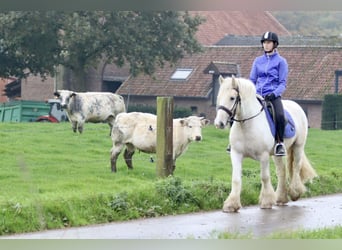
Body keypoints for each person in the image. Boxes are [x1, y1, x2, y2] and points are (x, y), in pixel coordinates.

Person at [249, 31, 288, 156]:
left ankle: (279, 143)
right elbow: (252, 80)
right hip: (257, 95)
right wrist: (251, 92)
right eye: (264, 43)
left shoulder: (281, 62)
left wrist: (274, 94)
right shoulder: (257, 61)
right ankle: (234, 142)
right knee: (238, 110)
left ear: (275, 44)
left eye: (269, 43)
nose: (266, 45)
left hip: (272, 96)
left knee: (280, 116)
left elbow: (282, 83)